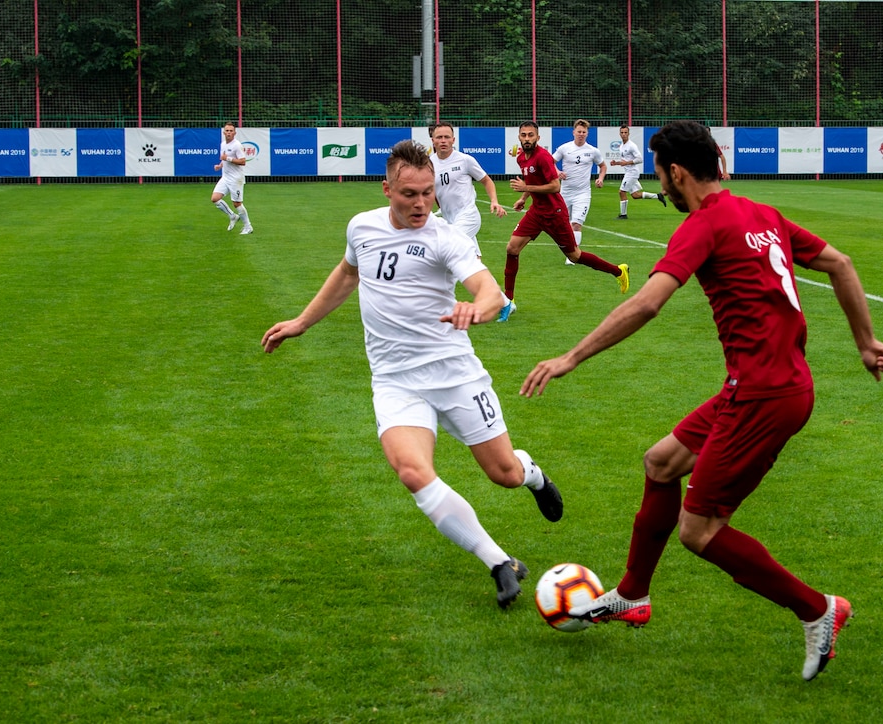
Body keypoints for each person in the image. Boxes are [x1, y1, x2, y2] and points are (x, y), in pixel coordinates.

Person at [521, 120, 883, 681]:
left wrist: (570, 357)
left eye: (659, 175)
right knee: (661, 462)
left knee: (699, 531)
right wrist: (866, 344)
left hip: (764, 396)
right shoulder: (759, 213)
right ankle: (632, 594)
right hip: (765, 385)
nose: (660, 185)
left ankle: (818, 609)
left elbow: (647, 304)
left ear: (676, 173)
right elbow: (839, 264)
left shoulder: (704, 224)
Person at [262, 139, 563, 609]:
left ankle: (534, 476)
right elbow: (347, 273)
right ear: (387, 190)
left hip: (455, 374)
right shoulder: (361, 227)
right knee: (412, 471)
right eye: (409, 194)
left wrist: (477, 311)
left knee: (502, 473)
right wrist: (302, 322)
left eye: (428, 193)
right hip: (394, 380)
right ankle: (499, 561)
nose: (421, 203)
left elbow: (490, 293)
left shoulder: (446, 238)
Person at [500, 122, 630, 322]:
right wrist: (523, 199)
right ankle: (508, 301)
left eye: (531, 135)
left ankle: (618, 271)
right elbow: (533, 183)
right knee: (512, 248)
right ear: (519, 137)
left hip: (555, 214)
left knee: (575, 256)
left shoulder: (543, 157)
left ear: (538, 138)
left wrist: (527, 189)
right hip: (536, 213)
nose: (527, 138)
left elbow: (555, 186)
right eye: (524, 135)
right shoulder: (521, 158)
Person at [428, 123, 513, 308]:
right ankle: (505, 303)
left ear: (453, 140)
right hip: (450, 218)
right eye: (439, 137)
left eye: (447, 137)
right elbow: (430, 191)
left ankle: (437, 301)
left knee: (449, 250)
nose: (443, 141)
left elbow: (486, 180)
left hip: (469, 216)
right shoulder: (429, 164)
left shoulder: (465, 160)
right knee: (473, 263)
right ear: (433, 140)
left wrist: (494, 201)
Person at [553, 119, 608, 265]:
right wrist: (558, 172)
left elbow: (603, 166)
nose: (581, 134)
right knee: (562, 224)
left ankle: (572, 256)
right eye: (579, 132)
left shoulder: (592, 151)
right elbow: (551, 163)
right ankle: (569, 250)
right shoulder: (564, 148)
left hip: (583, 194)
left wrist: (600, 178)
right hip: (565, 193)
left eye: (584, 132)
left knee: (576, 224)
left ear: (587, 133)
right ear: (574, 132)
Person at [613, 125, 666, 219]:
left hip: (632, 172)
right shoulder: (621, 146)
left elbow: (640, 159)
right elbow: (625, 161)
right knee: (635, 195)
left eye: (625, 132)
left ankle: (623, 215)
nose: (624, 134)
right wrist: (616, 163)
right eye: (622, 132)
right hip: (629, 172)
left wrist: (627, 162)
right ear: (619, 134)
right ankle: (658, 196)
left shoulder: (632, 146)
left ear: (629, 133)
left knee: (621, 192)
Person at [211, 122, 253, 235]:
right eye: (227, 131)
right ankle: (232, 216)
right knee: (215, 198)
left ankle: (248, 226)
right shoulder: (223, 144)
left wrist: (228, 158)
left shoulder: (237, 145)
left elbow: (243, 161)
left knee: (237, 204)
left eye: (231, 131)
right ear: (224, 132)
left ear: (234, 133)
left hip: (236, 178)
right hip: (225, 177)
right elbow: (224, 159)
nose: (229, 133)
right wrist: (220, 165)